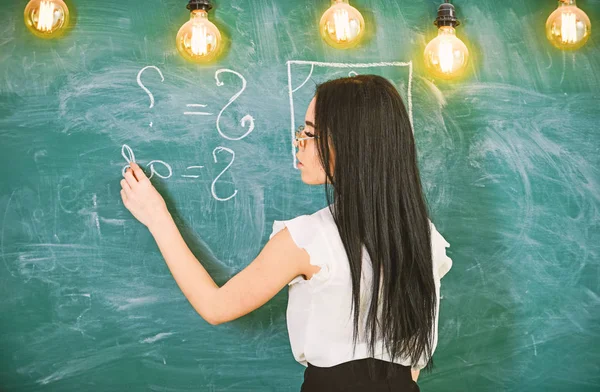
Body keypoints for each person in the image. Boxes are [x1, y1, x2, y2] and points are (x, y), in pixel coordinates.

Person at [119, 74, 453, 391]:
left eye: (309, 133)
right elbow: (413, 366)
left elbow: (215, 306)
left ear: (350, 144)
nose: (298, 143)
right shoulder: (425, 237)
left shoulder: (308, 240)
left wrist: (156, 215)